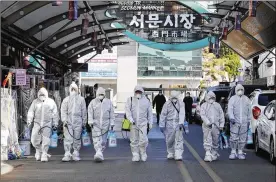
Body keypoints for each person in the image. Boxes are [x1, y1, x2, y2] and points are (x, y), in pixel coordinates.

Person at [27, 87, 59, 162]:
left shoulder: (51, 102)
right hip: (37, 123)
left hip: (47, 123)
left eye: (43, 94)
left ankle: (44, 153)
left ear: (46, 94)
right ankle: (38, 150)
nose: (42, 96)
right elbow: (31, 111)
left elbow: (55, 113)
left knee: (46, 139)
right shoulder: (35, 102)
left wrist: (55, 123)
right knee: (34, 139)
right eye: (40, 94)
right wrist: (29, 120)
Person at [125, 86, 153, 162]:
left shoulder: (146, 101)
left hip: (143, 124)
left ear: (142, 92)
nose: (138, 93)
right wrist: (131, 119)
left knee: (143, 140)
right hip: (133, 124)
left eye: (139, 92)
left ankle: (143, 153)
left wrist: (150, 123)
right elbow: (127, 111)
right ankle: (135, 155)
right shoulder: (130, 100)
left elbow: (150, 113)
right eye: (136, 92)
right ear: (134, 92)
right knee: (134, 140)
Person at [60, 82, 87, 162]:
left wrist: (84, 122)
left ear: (77, 90)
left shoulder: (81, 99)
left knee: (77, 137)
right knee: (68, 137)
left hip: (78, 121)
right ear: (69, 90)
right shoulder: (66, 100)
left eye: (74, 89)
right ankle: (67, 153)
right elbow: (63, 111)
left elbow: (84, 111)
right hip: (68, 121)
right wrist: (64, 120)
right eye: (72, 89)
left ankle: (76, 153)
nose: (73, 90)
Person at [88, 87, 115, 162]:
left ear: (104, 94)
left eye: (102, 94)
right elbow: (90, 112)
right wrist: (90, 121)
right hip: (95, 124)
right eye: (99, 94)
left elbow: (112, 113)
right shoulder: (93, 102)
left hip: (105, 124)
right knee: (96, 139)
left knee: (103, 140)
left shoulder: (108, 102)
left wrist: (112, 123)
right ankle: (98, 152)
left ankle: (100, 153)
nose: (101, 95)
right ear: (97, 94)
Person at [159, 90, 185, 160]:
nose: (174, 99)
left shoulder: (181, 104)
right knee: (169, 139)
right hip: (169, 124)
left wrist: (181, 122)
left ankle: (178, 154)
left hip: (178, 124)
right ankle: (170, 152)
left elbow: (182, 113)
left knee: (179, 139)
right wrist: (161, 125)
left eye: (175, 98)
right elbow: (163, 114)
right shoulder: (167, 104)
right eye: (173, 98)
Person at [228, 84, 251, 160]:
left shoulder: (247, 99)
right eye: (238, 90)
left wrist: (249, 120)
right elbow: (230, 109)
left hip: (244, 122)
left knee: (243, 138)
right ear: (236, 90)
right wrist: (231, 118)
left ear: (243, 90)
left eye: (241, 90)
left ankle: (240, 152)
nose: (240, 91)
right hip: (234, 121)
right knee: (233, 137)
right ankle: (233, 151)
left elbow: (249, 110)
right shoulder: (232, 99)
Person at [200, 91, 225, 162]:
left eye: (213, 98)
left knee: (215, 140)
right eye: (210, 97)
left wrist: (221, 125)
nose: (211, 99)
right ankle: (207, 153)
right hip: (207, 126)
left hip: (216, 126)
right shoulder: (204, 105)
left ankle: (214, 153)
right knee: (207, 139)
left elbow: (221, 115)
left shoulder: (217, 105)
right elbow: (203, 115)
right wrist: (207, 122)